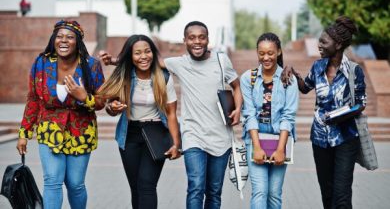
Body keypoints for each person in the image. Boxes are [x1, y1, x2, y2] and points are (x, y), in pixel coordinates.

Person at [99, 21, 242, 209]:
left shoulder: (221, 60)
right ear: (185, 41)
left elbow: (236, 86)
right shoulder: (178, 63)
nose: (197, 41)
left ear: (208, 39)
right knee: (194, 187)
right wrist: (114, 62)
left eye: (202, 37)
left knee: (213, 191)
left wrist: (238, 109)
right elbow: (142, 60)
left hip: (217, 135)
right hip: (191, 134)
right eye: (192, 38)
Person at [16, 20, 105, 209]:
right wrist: (24, 133)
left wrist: (84, 97)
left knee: (75, 184)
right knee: (52, 182)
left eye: (70, 37)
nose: (64, 40)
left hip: (81, 131)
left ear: (78, 41)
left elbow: (101, 101)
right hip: (50, 130)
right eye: (59, 36)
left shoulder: (92, 65)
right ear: (53, 39)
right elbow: (33, 99)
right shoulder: (41, 63)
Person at [282, 16, 366, 209]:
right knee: (327, 194)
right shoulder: (318, 66)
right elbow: (305, 88)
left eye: (323, 42)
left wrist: (338, 115)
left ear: (337, 45)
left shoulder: (354, 71)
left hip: (346, 137)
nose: (319, 45)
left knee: (342, 196)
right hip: (320, 139)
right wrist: (293, 72)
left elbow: (361, 103)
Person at [97, 34, 181, 209]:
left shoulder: (163, 77)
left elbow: (171, 113)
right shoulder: (124, 75)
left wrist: (176, 143)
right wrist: (113, 108)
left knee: (146, 186)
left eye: (147, 51)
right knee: (135, 188)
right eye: (137, 53)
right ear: (130, 56)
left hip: (156, 132)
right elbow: (109, 107)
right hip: (130, 133)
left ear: (153, 53)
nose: (143, 56)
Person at [240, 32, 299, 209]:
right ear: (257, 53)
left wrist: (281, 149)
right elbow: (249, 114)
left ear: (279, 52)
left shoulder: (289, 79)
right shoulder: (247, 78)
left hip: (280, 138)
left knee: (274, 194)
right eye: (262, 53)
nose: (266, 57)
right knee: (259, 191)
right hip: (256, 138)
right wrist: (256, 147)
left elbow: (288, 116)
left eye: (271, 53)